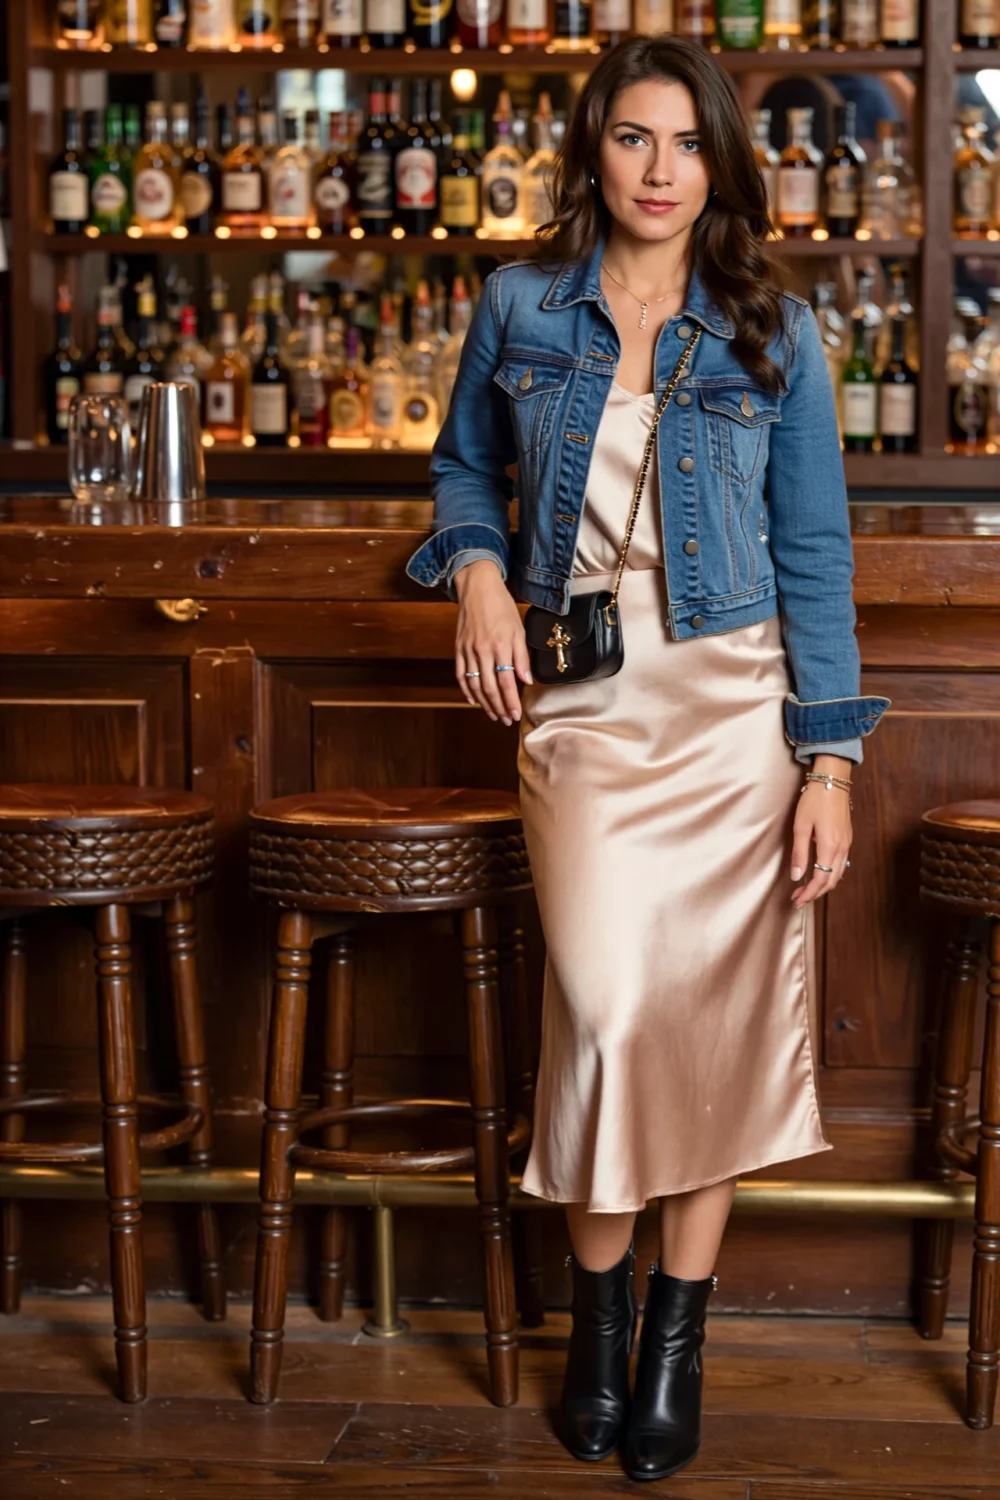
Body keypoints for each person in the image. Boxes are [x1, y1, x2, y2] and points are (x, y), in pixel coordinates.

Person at [404, 35, 891, 1485]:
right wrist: (478, 567)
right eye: (632, 139)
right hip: (586, 720)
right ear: (592, 153)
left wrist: (829, 761)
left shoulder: (772, 331)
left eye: (685, 143)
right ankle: (594, 1328)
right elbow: (455, 468)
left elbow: (815, 552)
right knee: (611, 1015)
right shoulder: (520, 304)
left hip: (735, 707)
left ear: (720, 161)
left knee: (715, 1029)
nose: (660, 170)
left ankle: (673, 1338)